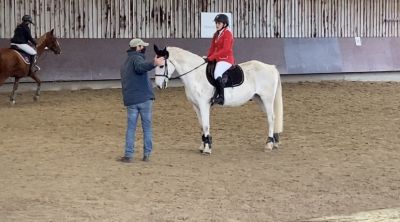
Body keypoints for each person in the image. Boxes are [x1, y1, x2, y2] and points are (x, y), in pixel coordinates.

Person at [119, 38, 165, 163]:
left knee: (130, 128)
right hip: (144, 99)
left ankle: (128, 154)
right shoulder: (137, 58)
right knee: (147, 128)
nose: (144, 48)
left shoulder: (125, 63)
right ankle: (147, 154)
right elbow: (140, 67)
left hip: (131, 101)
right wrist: (153, 63)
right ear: (138, 47)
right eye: (142, 46)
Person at [204, 14, 235, 105]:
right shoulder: (216, 34)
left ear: (224, 24)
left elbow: (225, 50)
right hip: (218, 59)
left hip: (226, 59)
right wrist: (208, 57)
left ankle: (221, 97)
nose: (217, 25)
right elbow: (212, 48)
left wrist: (212, 57)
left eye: (219, 23)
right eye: (216, 23)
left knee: (217, 73)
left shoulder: (228, 34)